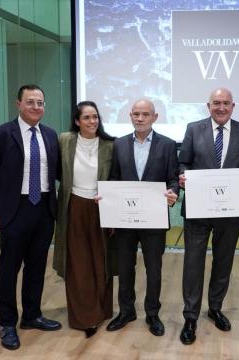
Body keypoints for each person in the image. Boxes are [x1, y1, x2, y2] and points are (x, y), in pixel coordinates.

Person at [0, 84, 62, 350]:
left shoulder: (50, 135)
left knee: (36, 267)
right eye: (31, 102)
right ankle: (8, 324)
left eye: (40, 103)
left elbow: (57, 172)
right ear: (18, 104)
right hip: (14, 211)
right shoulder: (0, 134)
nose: (37, 107)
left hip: (44, 209)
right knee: (9, 270)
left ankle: (32, 315)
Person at [177, 88, 239, 345]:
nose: (220, 107)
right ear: (207, 105)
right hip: (198, 210)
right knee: (193, 263)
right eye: (216, 103)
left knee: (224, 261)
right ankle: (190, 316)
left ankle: (215, 307)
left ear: (233, 106)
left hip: (230, 210)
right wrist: (182, 177)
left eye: (225, 103)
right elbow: (183, 162)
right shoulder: (193, 129)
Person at [104, 99, 179, 336]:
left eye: (145, 114)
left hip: (154, 219)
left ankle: (152, 314)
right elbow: (114, 178)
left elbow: (174, 179)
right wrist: (107, 198)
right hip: (125, 220)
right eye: (136, 114)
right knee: (125, 267)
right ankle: (126, 311)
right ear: (130, 116)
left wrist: (173, 193)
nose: (140, 118)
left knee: (153, 269)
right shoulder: (119, 144)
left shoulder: (167, 145)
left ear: (155, 117)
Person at [52, 101, 116, 339]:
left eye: (95, 117)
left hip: (102, 208)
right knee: (78, 264)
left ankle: (102, 311)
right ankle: (85, 318)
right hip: (73, 207)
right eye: (87, 118)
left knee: (101, 262)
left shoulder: (111, 145)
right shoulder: (65, 140)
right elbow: (58, 172)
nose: (93, 122)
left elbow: (117, 178)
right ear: (77, 121)